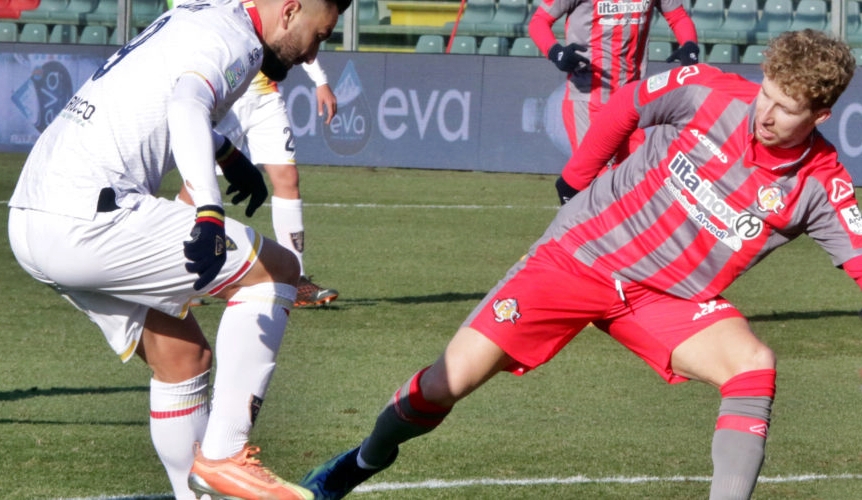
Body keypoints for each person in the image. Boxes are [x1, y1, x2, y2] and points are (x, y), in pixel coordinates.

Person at [298, 29, 862, 500]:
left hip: (664, 298)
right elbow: (629, 103)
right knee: (448, 382)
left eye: (786, 109)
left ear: (821, 114)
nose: (766, 114)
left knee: (752, 365)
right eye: (766, 95)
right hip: (580, 255)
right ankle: (364, 460)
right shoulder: (711, 92)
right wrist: (575, 180)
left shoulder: (822, 184)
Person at [6, 0, 349, 499]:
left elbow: (164, 91)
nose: (312, 54)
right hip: (86, 217)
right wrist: (208, 209)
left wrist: (226, 153)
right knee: (277, 270)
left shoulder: (201, 14)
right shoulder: (238, 40)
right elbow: (188, 101)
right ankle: (226, 452)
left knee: (183, 357)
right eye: (319, 36)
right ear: (291, 10)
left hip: (32, 217)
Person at [170, 0, 340, 308]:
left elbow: (300, 25)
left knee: (287, 178)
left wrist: (321, 81)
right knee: (196, 184)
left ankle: (296, 279)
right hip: (228, 92)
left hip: (265, 96)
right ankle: (174, 271)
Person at [528, 0, 699, 202]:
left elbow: (678, 16)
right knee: (593, 183)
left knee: (638, 180)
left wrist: (689, 44)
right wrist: (555, 52)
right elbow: (539, 21)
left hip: (631, 100)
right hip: (588, 98)